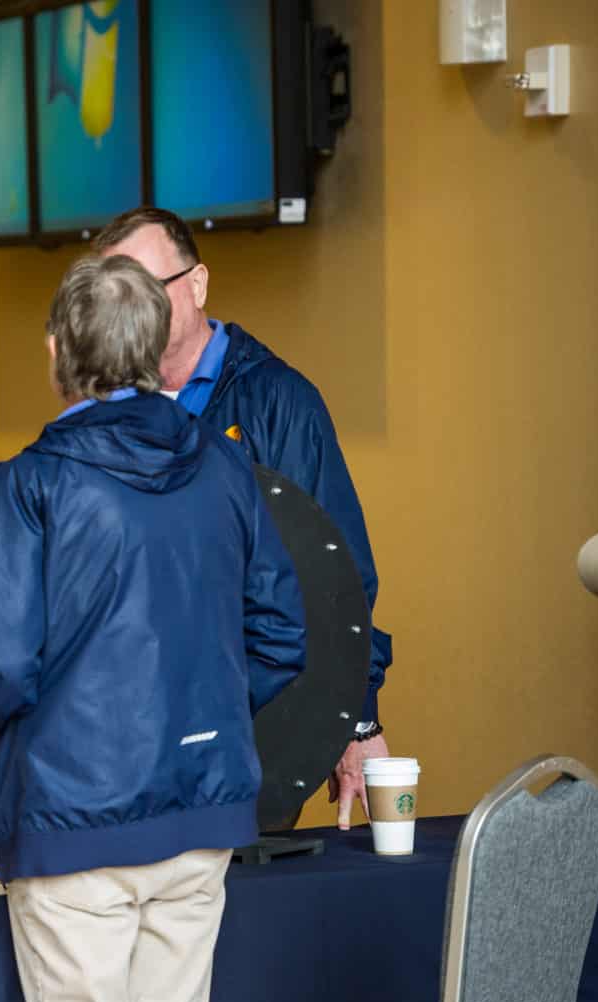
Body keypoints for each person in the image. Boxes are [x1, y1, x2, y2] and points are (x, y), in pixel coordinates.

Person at [0, 255, 306, 1002]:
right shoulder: (227, 466)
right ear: (152, 345)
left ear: (54, 349)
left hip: (73, 812)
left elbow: (1, 667)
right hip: (202, 807)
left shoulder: (30, 484)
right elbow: (279, 632)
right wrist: (202, 706)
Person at [94, 207, 394, 829]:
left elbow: (338, 576)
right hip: (130, 748)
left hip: (251, 740)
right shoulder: (106, 412)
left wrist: (356, 720)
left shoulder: (278, 402)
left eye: (150, 289)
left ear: (198, 284)